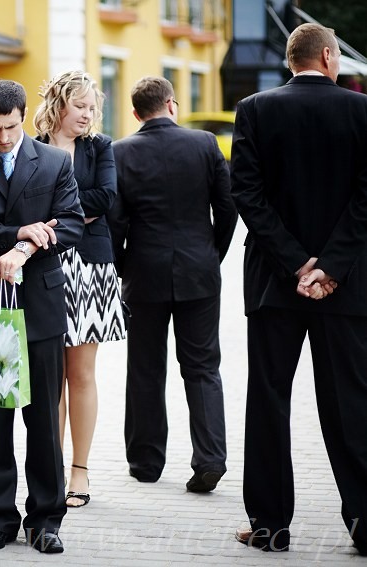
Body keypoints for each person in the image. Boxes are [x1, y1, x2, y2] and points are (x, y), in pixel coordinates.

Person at [230, 23, 367, 554]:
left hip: (273, 282)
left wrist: (296, 263)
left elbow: (246, 192)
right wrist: (329, 266)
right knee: (352, 402)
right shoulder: (361, 111)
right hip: (348, 286)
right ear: (329, 57)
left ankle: (269, 525)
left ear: (292, 61)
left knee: (268, 401)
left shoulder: (256, 109)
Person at [0, 79, 85, 554]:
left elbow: (69, 224)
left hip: (40, 311)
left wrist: (21, 247)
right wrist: (20, 230)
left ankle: (46, 520)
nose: (2, 137)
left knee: (43, 419)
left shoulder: (54, 161)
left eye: (10, 126)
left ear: (24, 116)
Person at [108, 76, 236, 492]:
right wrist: (212, 254)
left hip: (144, 273)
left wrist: (125, 264)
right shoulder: (204, 144)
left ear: (135, 112)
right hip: (200, 270)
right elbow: (228, 207)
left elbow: (115, 222)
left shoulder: (120, 151)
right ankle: (210, 458)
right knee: (202, 367)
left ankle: (146, 462)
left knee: (145, 368)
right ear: (172, 104)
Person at [33, 70, 126, 508]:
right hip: (41, 265)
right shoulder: (31, 145)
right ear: (59, 104)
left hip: (89, 267)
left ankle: (80, 471)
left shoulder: (100, 148)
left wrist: (52, 214)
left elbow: (106, 197)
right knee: (48, 380)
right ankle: (50, 467)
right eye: (81, 105)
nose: (89, 114)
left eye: (93, 107)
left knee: (81, 374)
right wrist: (71, 212)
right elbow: (19, 202)